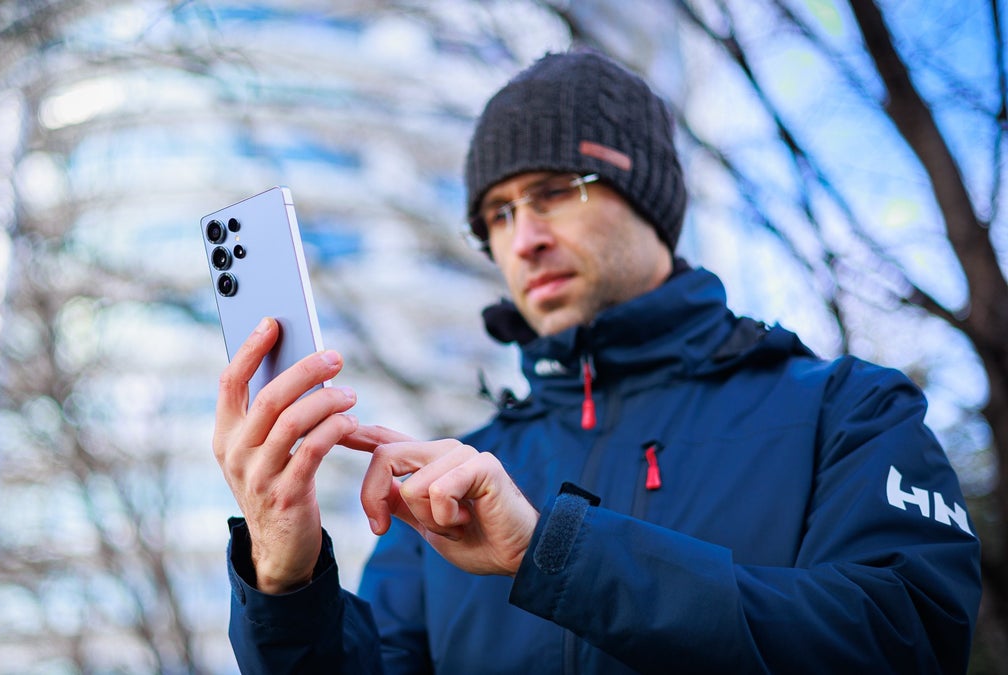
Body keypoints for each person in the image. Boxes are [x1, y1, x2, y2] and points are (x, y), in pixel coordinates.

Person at [211, 49, 982, 673]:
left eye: (555, 191)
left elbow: (903, 638)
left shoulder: (848, 410)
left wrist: (555, 554)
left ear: (647, 197)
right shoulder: (448, 485)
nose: (523, 238)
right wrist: (285, 580)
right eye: (498, 214)